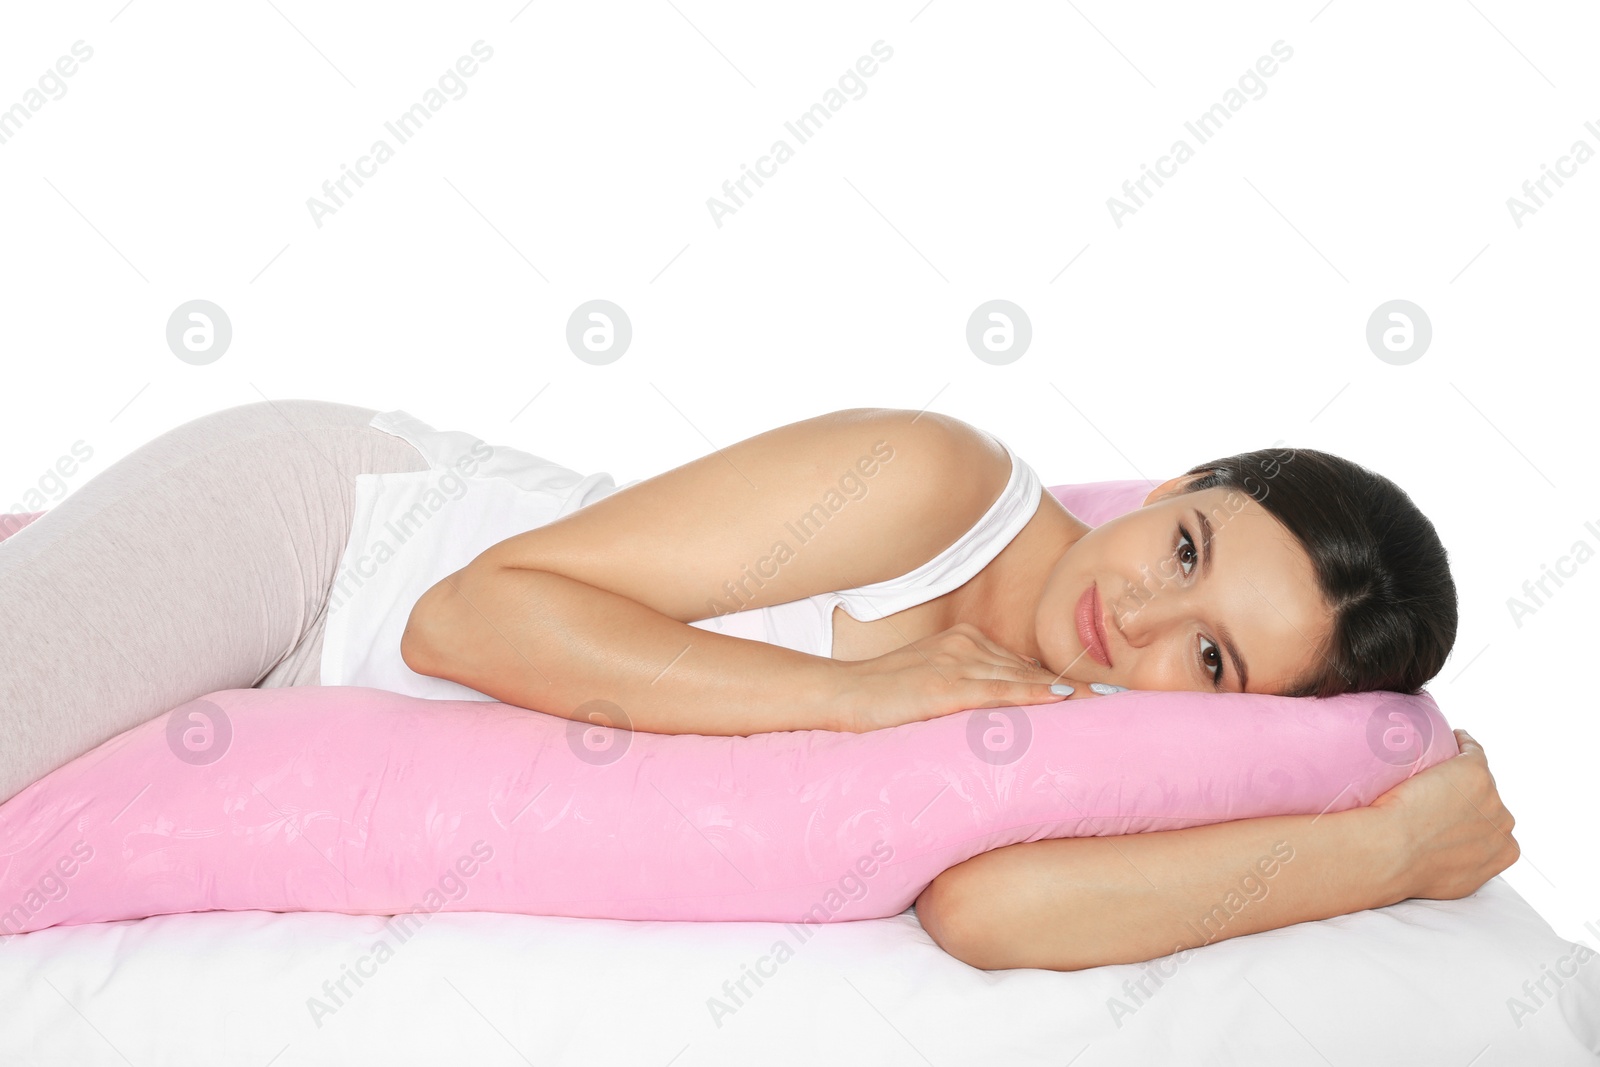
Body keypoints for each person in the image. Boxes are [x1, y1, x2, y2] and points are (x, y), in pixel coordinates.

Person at [0, 398, 1516, 971]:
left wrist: (1378, 850)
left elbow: (995, 915)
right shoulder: (940, 484)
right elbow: (473, 615)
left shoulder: (1071, 716)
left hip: (302, 673)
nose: (1142, 613)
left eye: (1212, 658)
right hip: (326, 538)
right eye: (1185, 545)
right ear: (1173, 481)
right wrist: (858, 703)